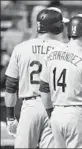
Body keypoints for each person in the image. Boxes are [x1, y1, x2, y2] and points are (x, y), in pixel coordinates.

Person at [39, 14, 82, 148]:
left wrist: (51, 114)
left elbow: (44, 89)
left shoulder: (52, 54)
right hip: (77, 115)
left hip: (56, 113)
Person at [4, 7, 67, 148]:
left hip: (30, 106)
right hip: (55, 107)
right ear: (56, 27)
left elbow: (10, 86)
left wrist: (10, 117)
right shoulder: (65, 50)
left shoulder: (21, 48)